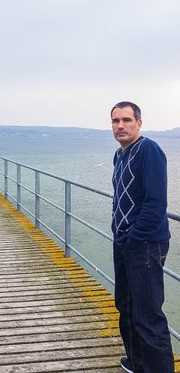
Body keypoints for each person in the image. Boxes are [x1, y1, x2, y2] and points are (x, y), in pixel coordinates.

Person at [110, 101, 173, 373]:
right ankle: (137, 363)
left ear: (139, 123)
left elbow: (156, 203)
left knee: (148, 315)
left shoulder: (149, 151)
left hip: (144, 244)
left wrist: (134, 237)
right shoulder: (119, 154)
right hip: (123, 242)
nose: (120, 125)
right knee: (126, 307)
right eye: (115, 120)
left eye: (126, 120)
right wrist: (121, 237)